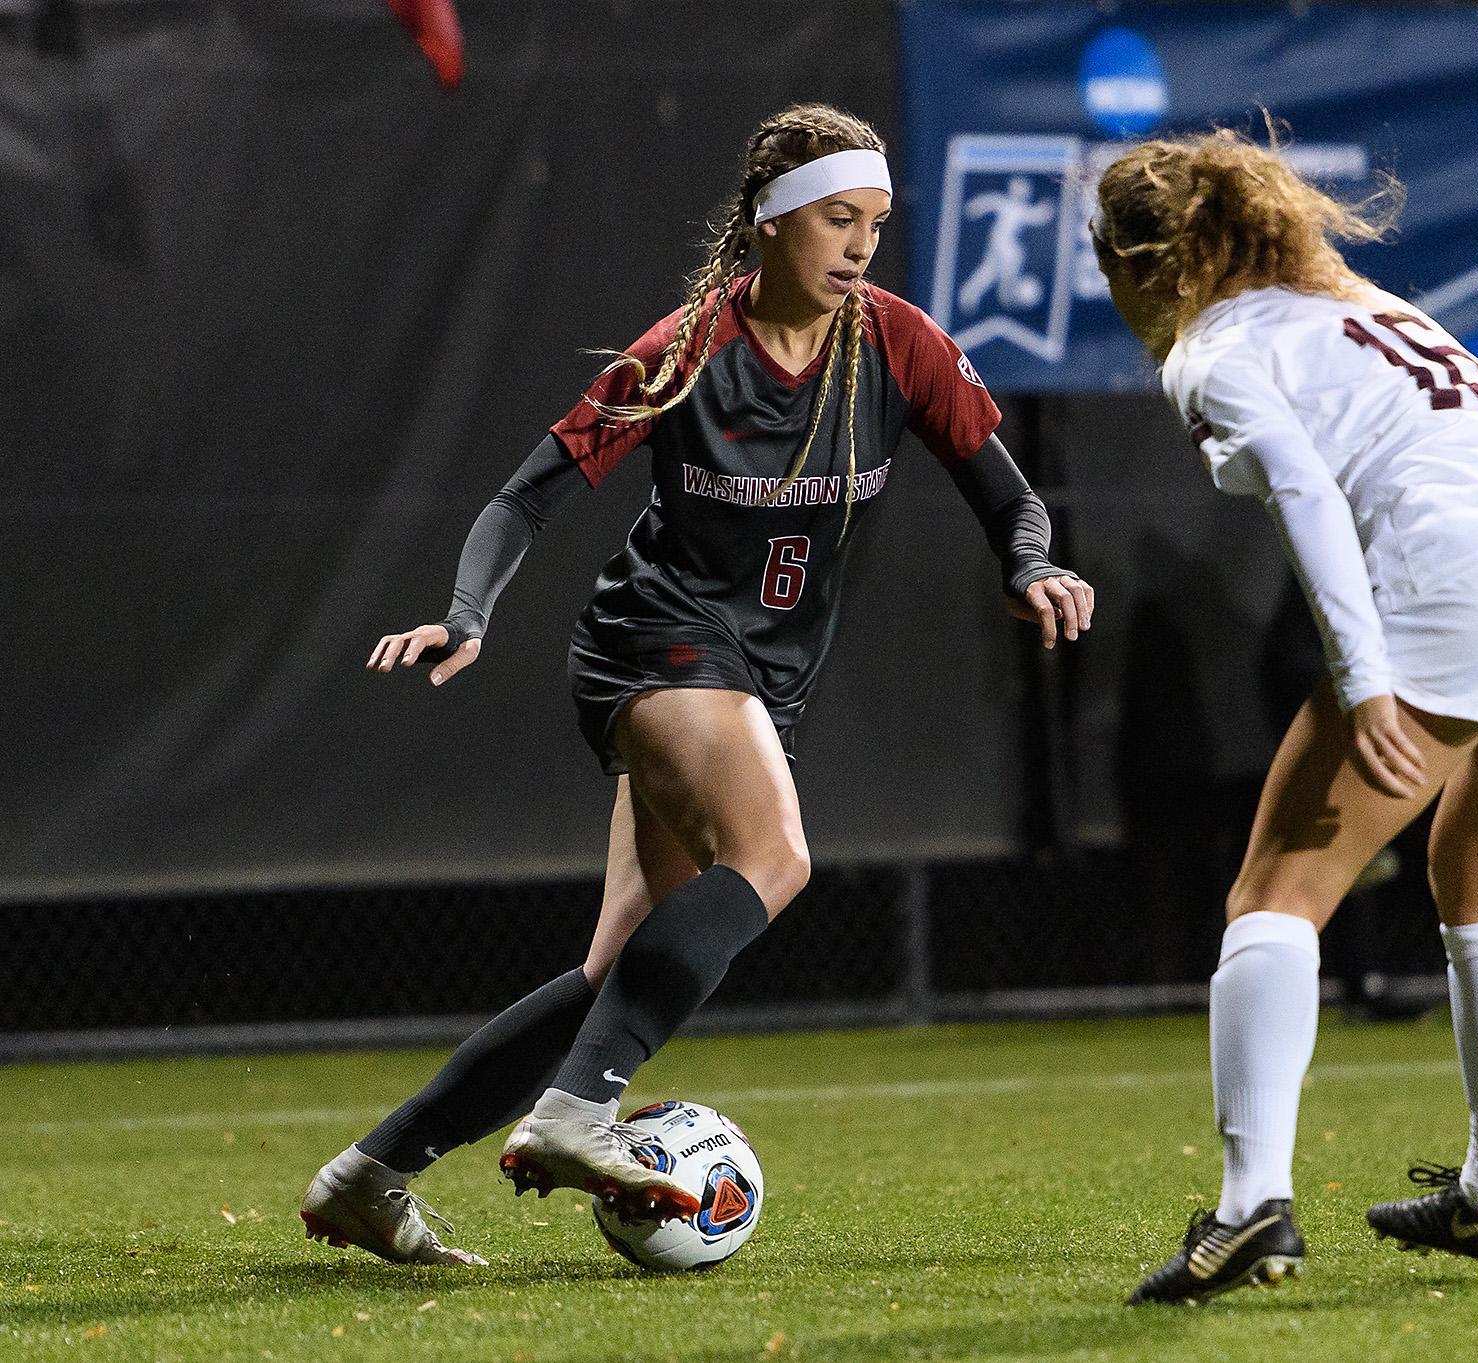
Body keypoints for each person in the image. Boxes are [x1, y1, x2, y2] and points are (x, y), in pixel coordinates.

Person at [299, 104, 1094, 1266]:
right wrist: (464, 615)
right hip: (653, 644)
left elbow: (1011, 497)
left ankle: (372, 1174)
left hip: (762, 680)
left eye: (875, 221)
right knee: (775, 858)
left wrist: (1032, 560)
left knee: (614, 969)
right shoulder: (684, 350)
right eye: (837, 218)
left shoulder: (898, 343)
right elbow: (526, 497)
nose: (862, 244)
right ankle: (574, 1116)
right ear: (770, 220)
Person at [1091, 129, 1478, 1304]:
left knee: (1272, 896)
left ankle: (1250, 1210)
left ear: (1140, 262)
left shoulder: (1210, 348)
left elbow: (1303, 487)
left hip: (1472, 575)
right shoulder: (1354, 297)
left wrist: (1362, 672)